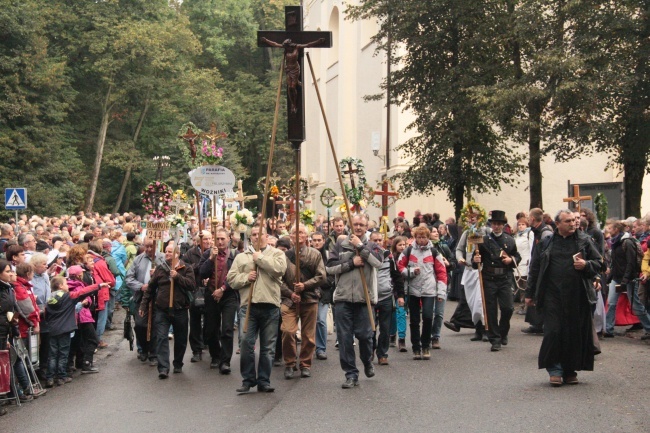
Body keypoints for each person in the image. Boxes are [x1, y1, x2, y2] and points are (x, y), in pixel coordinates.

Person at [525, 209, 603, 386]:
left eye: (573, 221)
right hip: (552, 294)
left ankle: (570, 370)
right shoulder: (546, 242)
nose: (572, 224)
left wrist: (586, 264)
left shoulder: (584, 241)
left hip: (577, 295)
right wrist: (530, 294)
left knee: (573, 332)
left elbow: (600, 263)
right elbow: (535, 268)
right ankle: (554, 369)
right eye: (567, 221)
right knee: (553, 331)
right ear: (557, 224)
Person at [226, 226, 286, 393]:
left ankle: (264, 381)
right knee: (245, 343)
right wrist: (246, 278)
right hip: (248, 306)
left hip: (270, 306)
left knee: (268, 347)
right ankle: (248, 379)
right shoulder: (241, 257)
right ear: (250, 237)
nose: (257, 237)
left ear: (267, 236)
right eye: (254, 235)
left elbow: (280, 270)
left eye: (260, 235)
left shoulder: (276, 254)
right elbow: (231, 279)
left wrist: (260, 259)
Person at [327, 214, 382, 389]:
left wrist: (360, 246)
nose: (358, 227)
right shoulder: (340, 245)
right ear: (351, 226)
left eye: (361, 224)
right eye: (355, 224)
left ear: (367, 227)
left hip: (364, 299)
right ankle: (351, 374)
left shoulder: (372, 245)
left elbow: (378, 262)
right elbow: (329, 268)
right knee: (344, 338)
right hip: (343, 298)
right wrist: (351, 263)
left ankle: (367, 361)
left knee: (365, 336)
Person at [140, 242, 195, 379]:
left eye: (170, 252)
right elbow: (150, 289)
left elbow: (191, 285)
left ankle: (178, 363)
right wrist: (143, 305)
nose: (167, 254)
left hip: (180, 309)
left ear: (178, 254)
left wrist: (177, 277)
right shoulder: (160, 269)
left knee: (181, 339)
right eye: (166, 252)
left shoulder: (186, 268)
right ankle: (163, 367)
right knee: (161, 337)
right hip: (162, 310)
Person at [280, 224, 326, 379]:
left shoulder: (314, 254)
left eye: (301, 232)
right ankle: (290, 363)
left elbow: (321, 276)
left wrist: (305, 285)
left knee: (308, 335)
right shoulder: (284, 256)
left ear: (306, 236)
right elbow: (278, 279)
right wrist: (290, 292)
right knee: (287, 331)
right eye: (294, 233)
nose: (297, 235)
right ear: (290, 236)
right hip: (289, 300)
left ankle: (305, 363)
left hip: (309, 299)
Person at [472, 210, 521, 352]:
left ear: (503, 225)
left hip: (505, 278)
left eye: (499, 224)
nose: (497, 226)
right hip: (489, 278)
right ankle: (495, 339)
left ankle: (503, 331)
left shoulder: (509, 240)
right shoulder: (483, 240)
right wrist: (475, 260)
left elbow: (517, 256)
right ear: (491, 225)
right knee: (491, 310)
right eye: (494, 224)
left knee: (508, 308)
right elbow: (475, 260)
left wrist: (511, 260)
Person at [397, 226, 447, 358]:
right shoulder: (408, 251)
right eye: (419, 237)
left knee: (427, 317)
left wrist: (441, 292)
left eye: (424, 237)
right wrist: (411, 272)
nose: (421, 240)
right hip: (413, 290)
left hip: (429, 290)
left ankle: (425, 346)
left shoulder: (434, 252)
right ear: (415, 237)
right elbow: (399, 266)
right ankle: (416, 347)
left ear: (428, 237)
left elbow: (442, 272)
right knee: (414, 320)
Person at [45, 275, 104, 387]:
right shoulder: (68, 297)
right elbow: (82, 292)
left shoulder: (49, 299)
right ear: (61, 286)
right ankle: (61, 376)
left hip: (52, 330)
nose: (67, 286)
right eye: (66, 284)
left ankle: (50, 378)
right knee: (63, 353)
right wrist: (98, 286)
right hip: (65, 329)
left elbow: (46, 315)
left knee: (52, 354)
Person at [198, 228, 239, 373]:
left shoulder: (235, 255)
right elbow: (202, 273)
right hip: (211, 295)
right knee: (211, 328)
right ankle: (215, 356)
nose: (220, 242)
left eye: (223, 239)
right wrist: (211, 259)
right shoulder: (207, 254)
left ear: (229, 239)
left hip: (228, 295)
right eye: (218, 239)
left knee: (227, 329)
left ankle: (225, 361)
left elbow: (236, 276)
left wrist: (222, 289)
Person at [259, 37, 326, 113]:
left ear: (290, 45)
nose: (286, 48)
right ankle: (292, 103)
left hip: (295, 69)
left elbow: (308, 44)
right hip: (288, 69)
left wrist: (318, 41)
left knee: (292, 86)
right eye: (285, 47)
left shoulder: (297, 47)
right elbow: (275, 44)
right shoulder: (286, 47)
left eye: (287, 47)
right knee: (289, 87)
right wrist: (266, 40)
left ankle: (294, 103)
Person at [124, 239, 164, 365]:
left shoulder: (162, 258)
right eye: (146, 246)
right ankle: (143, 348)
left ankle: (154, 353)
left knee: (156, 325)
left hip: (159, 296)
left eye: (150, 246)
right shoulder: (138, 259)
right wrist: (141, 286)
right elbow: (129, 278)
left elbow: (170, 275)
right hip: (142, 297)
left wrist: (157, 274)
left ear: (156, 245)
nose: (148, 249)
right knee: (140, 325)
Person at [369, 231, 403, 365]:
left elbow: (397, 276)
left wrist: (400, 296)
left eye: (379, 240)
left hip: (386, 296)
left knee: (385, 328)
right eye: (374, 240)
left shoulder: (388, 256)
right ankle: (370, 349)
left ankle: (382, 353)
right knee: (371, 328)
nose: (377, 243)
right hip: (370, 298)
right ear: (370, 241)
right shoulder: (366, 255)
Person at [522, 208, 554, 334]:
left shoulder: (545, 232)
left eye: (529, 217)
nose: (528, 220)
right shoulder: (536, 231)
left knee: (540, 294)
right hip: (536, 266)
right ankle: (536, 323)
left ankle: (542, 324)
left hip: (541, 269)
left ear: (533, 219)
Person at [182, 231, 212, 363]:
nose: (208, 241)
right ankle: (196, 350)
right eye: (205, 239)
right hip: (195, 290)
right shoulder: (190, 253)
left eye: (210, 239)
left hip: (210, 290)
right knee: (194, 321)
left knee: (211, 320)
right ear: (198, 240)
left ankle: (209, 343)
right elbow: (185, 268)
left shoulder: (214, 252)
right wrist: (199, 266)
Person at [311, 231, 333, 360]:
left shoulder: (328, 256)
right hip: (309, 291)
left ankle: (321, 348)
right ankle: (309, 345)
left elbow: (330, 277)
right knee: (309, 321)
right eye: (314, 240)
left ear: (323, 241)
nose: (317, 242)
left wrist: (319, 284)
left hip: (324, 293)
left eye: (319, 240)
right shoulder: (308, 254)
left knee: (321, 320)